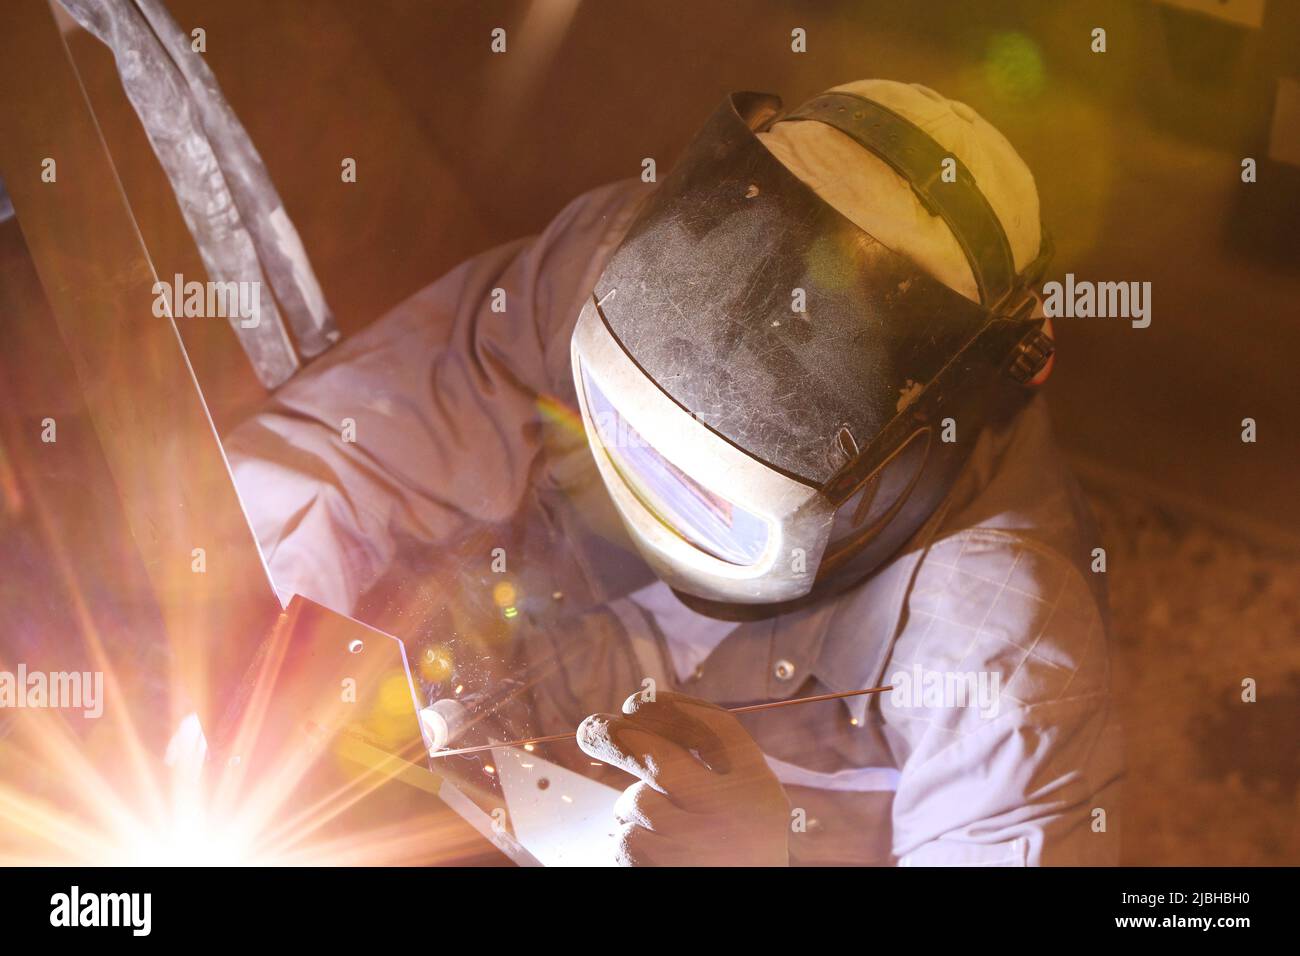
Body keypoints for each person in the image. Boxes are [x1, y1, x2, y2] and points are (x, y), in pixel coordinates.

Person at [226, 79, 1123, 866]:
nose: (663, 515)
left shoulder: (1000, 648)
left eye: (713, 504)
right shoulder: (615, 265)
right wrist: (284, 653)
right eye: (637, 452)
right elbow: (334, 458)